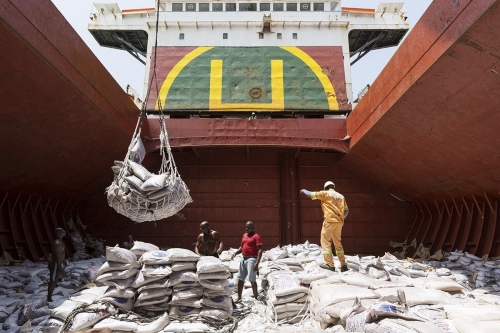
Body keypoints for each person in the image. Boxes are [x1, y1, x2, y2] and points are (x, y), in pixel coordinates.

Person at [300, 181, 349, 272]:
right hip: (339, 223)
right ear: (333, 187)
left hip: (330, 221)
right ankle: (343, 265)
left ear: (325, 187)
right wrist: (340, 218)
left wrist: (304, 190)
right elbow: (346, 211)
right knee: (338, 244)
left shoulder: (325, 193)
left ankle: (330, 264)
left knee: (325, 242)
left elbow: (310, 194)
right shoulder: (341, 196)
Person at [231, 221, 262, 301]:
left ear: (252, 228)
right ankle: (239, 297)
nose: (246, 229)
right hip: (244, 259)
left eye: (248, 227)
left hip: (252, 259)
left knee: (252, 279)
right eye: (246, 227)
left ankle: (256, 298)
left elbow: (260, 250)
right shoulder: (244, 235)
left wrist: (257, 263)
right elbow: (242, 247)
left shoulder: (256, 236)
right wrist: (235, 253)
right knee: (240, 278)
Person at [48, 228, 66, 302]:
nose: (64, 232)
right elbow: (57, 256)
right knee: (53, 281)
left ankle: (50, 297)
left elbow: (60, 254)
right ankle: (49, 298)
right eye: (62, 231)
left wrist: (63, 260)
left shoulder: (60, 242)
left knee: (55, 280)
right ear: (59, 233)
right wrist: (60, 268)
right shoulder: (57, 243)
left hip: (57, 263)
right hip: (55, 264)